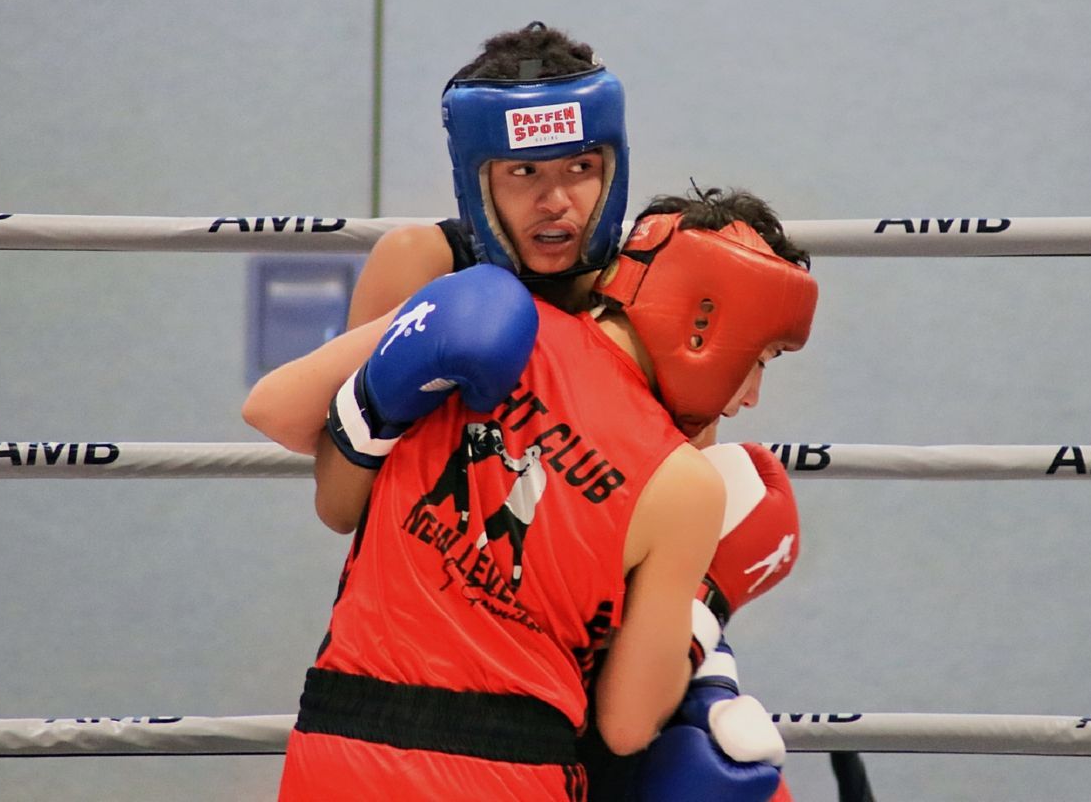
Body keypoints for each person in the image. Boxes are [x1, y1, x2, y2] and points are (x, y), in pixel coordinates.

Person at [242, 189, 818, 801]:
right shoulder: (685, 485)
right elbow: (626, 726)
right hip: (511, 771)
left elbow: (273, 409)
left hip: (336, 745)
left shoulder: (479, 315)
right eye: (762, 358)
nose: (752, 396)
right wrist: (707, 604)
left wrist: (386, 391)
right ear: (708, 326)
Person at [348, 21, 624, 326]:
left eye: (580, 167)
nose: (556, 203)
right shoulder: (421, 262)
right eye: (525, 170)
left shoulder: (641, 283)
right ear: (478, 183)